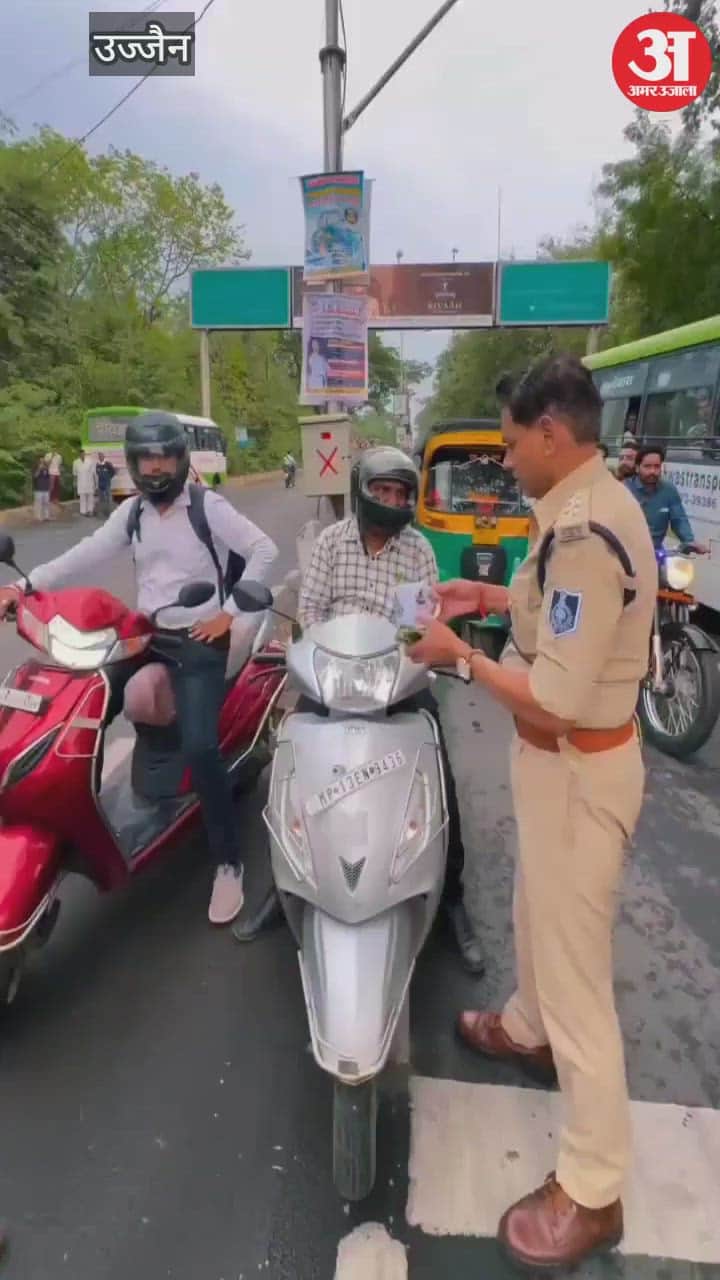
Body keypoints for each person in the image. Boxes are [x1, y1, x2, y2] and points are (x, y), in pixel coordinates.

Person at [405, 355, 658, 1271]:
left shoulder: (587, 533)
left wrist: (458, 657)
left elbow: (553, 696)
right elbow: (543, 613)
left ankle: (594, 1189)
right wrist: (480, 603)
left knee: (578, 967)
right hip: (557, 765)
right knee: (534, 916)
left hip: (579, 768)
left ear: (552, 435)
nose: (505, 460)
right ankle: (527, 1027)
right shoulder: (571, 514)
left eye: (512, 444)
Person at [0, 412, 278, 925]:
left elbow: (264, 549)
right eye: (146, 459)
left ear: (180, 460)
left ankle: (228, 863)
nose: (155, 468)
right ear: (133, 463)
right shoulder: (132, 515)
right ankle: (82, 810)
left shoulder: (205, 506)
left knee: (199, 743)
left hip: (199, 640)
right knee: (82, 702)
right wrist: (25, 586)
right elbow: (84, 553)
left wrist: (229, 614)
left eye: (164, 457)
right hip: (146, 636)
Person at [236, 446, 485, 973]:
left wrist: (406, 659)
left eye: (400, 493)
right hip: (331, 675)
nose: (391, 501)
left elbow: (419, 626)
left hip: (394, 677)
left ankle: (454, 899)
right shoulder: (330, 542)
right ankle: (281, 885)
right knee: (290, 765)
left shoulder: (417, 549)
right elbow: (310, 613)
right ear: (362, 492)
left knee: (436, 770)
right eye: (382, 491)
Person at [625, 445, 708, 552]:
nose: (652, 471)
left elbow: (679, 519)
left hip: (655, 552)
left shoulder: (669, 490)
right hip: (625, 554)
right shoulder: (624, 489)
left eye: (657, 466)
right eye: (647, 466)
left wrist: (689, 541)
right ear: (637, 468)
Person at [73, 449, 97, 517]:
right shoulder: (75, 462)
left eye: (83, 454)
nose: (82, 455)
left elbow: (93, 473)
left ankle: (90, 510)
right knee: (82, 497)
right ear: (79, 455)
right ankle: (83, 511)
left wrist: (95, 483)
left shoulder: (90, 461)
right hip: (80, 482)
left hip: (89, 482)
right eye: (81, 454)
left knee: (90, 497)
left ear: (85, 454)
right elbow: (75, 474)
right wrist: (74, 483)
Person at [95, 453, 116, 519]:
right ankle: (101, 513)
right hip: (100, 484)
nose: (100, 457)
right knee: (101, 499)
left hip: (107, 484)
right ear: (98, 457)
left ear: (104, 456)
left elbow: (113, 472)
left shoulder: (108, 464)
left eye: (101, 456)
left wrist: (108, 477)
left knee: (109, 499)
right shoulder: (97, 465)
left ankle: (110, 513)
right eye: (99, 456)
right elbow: (97, 473)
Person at [32, 457, 51, 522]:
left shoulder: (46, 469)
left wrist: (49, 486)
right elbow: (35, 476)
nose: (42, 463)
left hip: (46, 488)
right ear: (38, 462)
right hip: (38, 489)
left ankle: (46, 516)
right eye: (40, 461)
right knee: (38, 503)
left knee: (46, 503)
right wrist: (39, 469)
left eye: (43, 461)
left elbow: (48, 477)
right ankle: (38, 517)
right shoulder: (35, 468)